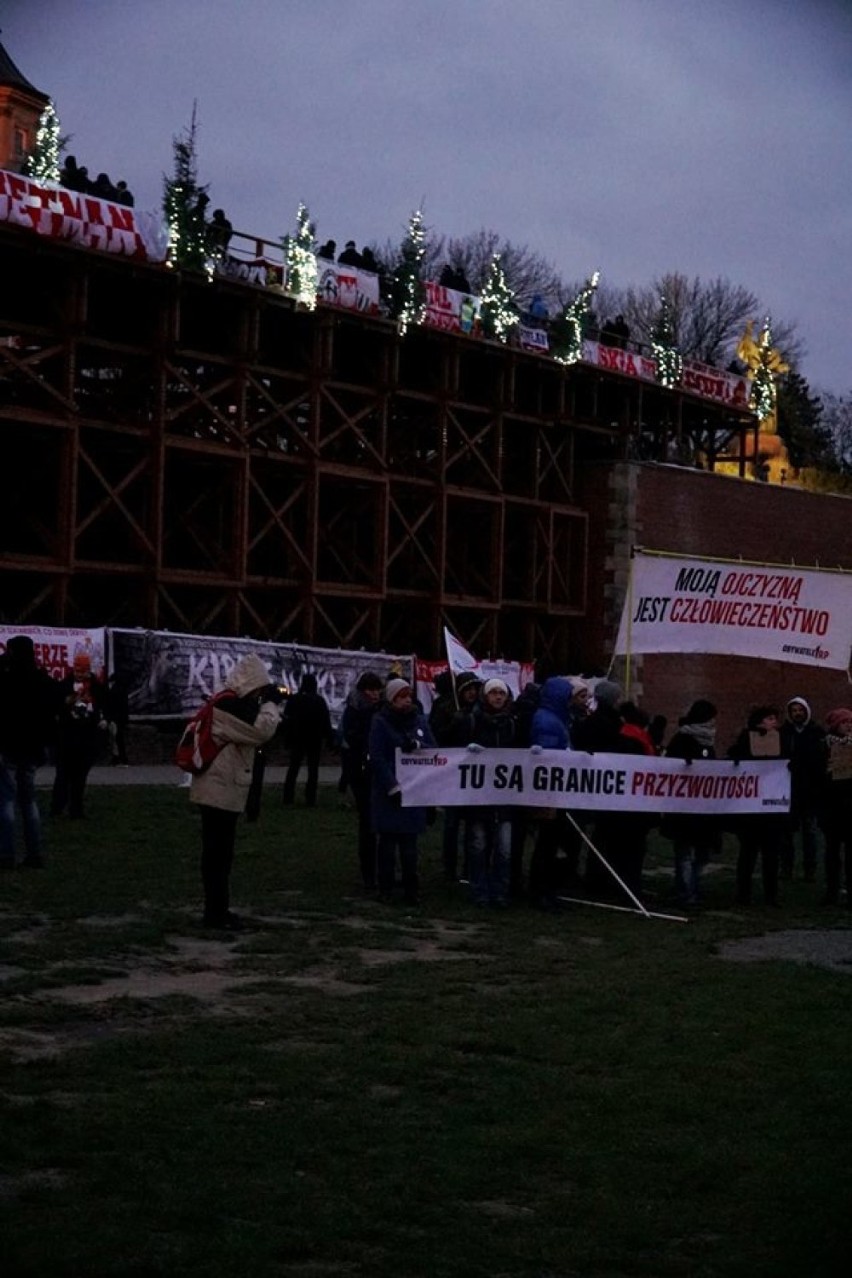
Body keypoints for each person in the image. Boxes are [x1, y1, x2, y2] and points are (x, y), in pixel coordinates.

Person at [189, 653, 285, 929]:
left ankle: (217, 909)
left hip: (217, 787)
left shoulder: (226, 700)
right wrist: (270, 703)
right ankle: (215, 912)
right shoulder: (230, 705)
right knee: (218, 854)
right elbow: (261, 731)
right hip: (218, 789)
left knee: (219, 853)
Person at [573, 680, 647, 901]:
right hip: (611, 788)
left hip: (602, 787)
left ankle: (598, 878)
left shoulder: (593, 721)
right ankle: (607, 881)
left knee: (602, 836)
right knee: (611, 839)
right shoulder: (612, 725)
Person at [368, 678, 435, 905]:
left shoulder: (419, 721)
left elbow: (434, 750)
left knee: (410, 847)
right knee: (387, 845)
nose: (406, 701)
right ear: (391, 699)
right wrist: (392, 786)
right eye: (401, 697)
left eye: (408, 696)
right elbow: (377, 757)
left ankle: (411, 889)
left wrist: (418, 746)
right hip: (390, 793)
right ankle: (385, 887)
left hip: (414, 790)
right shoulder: (380, 722)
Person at [0, 635, 63, 868]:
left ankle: (6, 854)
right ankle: (34, 853)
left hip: (8, 745)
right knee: (28, 800)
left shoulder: (6, 679)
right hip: (33, 746)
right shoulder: (41, 679)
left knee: (6, 801)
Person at [661, 699, 721, 908]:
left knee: (701, 853)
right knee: (685, 852)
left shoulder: (707, 741)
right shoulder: (683, 739)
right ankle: (686, 891)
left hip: (702, 807)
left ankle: (691, 886)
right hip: (684, 807)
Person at [728, 705, 789, 906]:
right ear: (759, 721)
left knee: (771, 855)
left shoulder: (782, 740)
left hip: (771, 808)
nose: (774, 723)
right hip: (751, 809)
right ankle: (743, 893)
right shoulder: (746, 740)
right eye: (770, 719)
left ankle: (771, 895)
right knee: (748, 854)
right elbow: (735, 758)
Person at [465, 679, 516, 906]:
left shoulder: (512, 723)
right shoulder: (474, 720)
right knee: (479, 846)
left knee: (504, 849)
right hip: (479, 797)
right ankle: (479, 890)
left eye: (501, 693)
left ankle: (500, 891)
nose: (498, 697)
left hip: (504, 799)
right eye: (493, 693)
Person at [429, 670, 482, 880]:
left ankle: (469, 867)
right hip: (452, 773)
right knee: (451, 823)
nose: (471, 693)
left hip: (472, 774)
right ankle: (449, 867)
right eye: (467, 689)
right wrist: (454, 724)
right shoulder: (445, 708)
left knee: (472, 824)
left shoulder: (479, 711)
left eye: (474, 689)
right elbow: (437, 737)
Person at [339, 670, 384, 890]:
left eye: (377, 690)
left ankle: (378, 868)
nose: (375, 694)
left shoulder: (376, 710)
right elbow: (350, 736)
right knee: (367, 821)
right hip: (361, 770)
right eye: (371, 690)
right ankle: (368, 871)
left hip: (372, 769)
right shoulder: (356, 710)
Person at [51, 651, 109, 820]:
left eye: (83, 672)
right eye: (77, 671)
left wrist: (103, 718)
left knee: (80, 777)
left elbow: (104, 702)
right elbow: (57, 707)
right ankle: (57, 807)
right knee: (62, 775)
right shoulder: (65, 685)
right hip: (67, 737)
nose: (80, 675)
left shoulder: (96, 687)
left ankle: (76, 809)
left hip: (86, 738)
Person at [779, 696, 825, 881]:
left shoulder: (817, 732)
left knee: (809, 834)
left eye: (800, 710)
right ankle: (787, 868)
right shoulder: (784, 733)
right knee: (786, 834)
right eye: (794, 710)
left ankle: (809, 870)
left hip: (810, 791)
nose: (797, 713)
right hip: (788, 790)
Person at [281, 673, 334, 807]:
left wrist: (287, 738)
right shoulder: (319, 701)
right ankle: (310, 799)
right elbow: (326, 722)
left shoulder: (294, 699)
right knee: (313, 770)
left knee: (293, 768)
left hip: (297, 738)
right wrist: (329, 739)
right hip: (314, 739)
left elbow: (287, 721)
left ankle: (288, 798)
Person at [818, 707, 852, 907]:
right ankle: (832, 890)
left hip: (850, 805)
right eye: (844, 722)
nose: (848, 726)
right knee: (832, 852)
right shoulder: (824, 746)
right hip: (831, 806)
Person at [105, 673, 130, 766]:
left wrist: (109, 718)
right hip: (121, 718)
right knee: (118, 739)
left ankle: (119, 758)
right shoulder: (123, 690)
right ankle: (119, 758)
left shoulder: (114, 691)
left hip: (115, 719)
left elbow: (111, 705)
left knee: (116, 739)